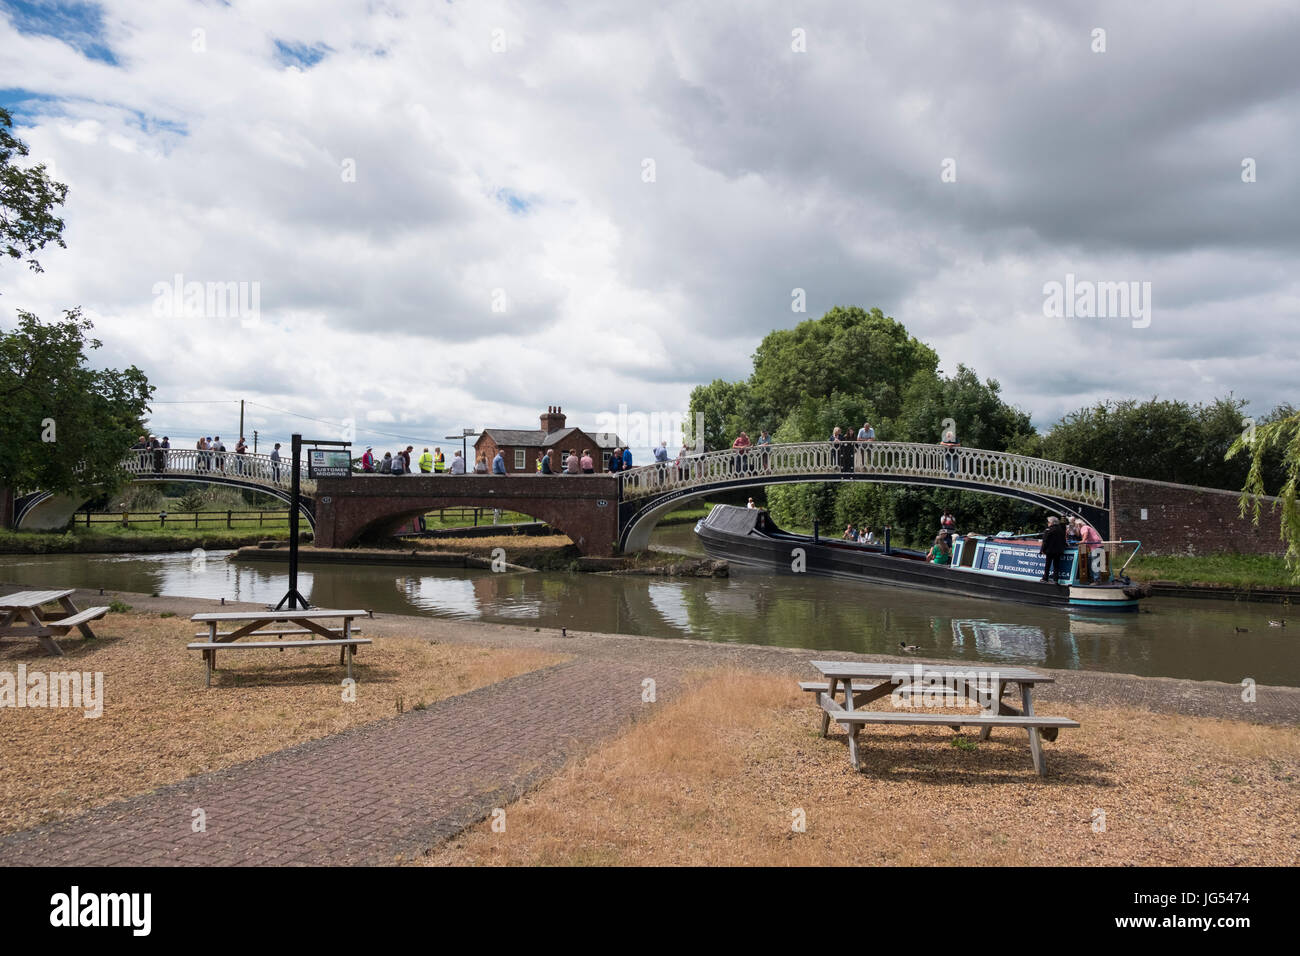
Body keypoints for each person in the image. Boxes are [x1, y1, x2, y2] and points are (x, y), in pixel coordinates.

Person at [1039, 516, 1067, 583]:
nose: (1047, 523)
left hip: (1050, 550)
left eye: (1048, 522)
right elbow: (1063, 540)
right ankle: (1055, 579)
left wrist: (1042, 550)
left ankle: (1045, 578)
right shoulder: (1061, 530)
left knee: (1047, 565)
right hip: (1058, 551)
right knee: (1056, 565)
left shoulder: (1048, 530)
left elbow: (1045, 541)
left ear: (1051, 523)